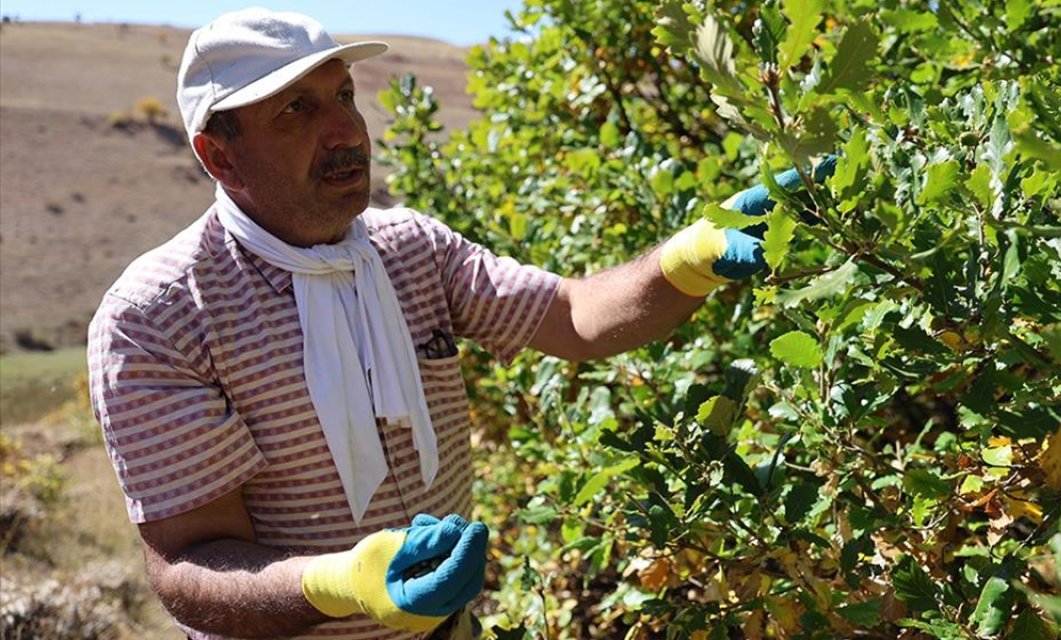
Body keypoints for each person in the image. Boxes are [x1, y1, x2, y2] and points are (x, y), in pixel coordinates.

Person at [87, 8, 832, 640]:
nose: (347, 129)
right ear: (220, 157)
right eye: (296, 110)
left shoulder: (411, 249)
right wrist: (340, 583)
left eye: (342, 94)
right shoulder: (160, 316)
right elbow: (186, 566)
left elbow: (573, 318)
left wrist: (686, 259)